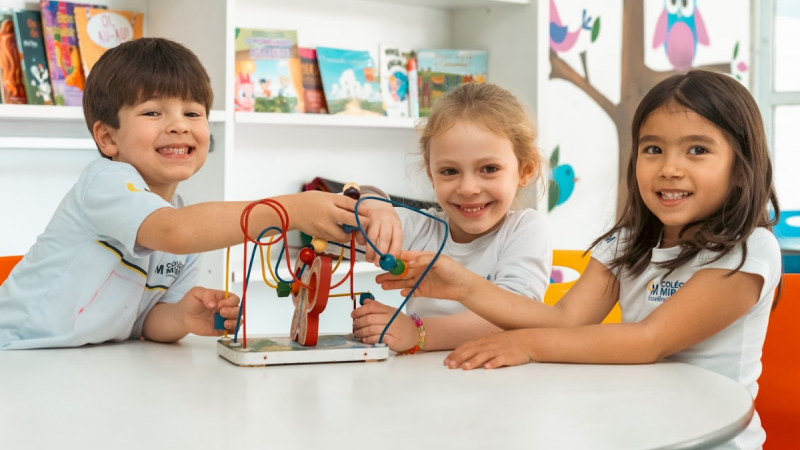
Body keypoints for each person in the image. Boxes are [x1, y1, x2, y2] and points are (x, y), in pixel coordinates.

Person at [380, 71, 781, 450]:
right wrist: (465, 286)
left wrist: (525, 344)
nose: (669, 169)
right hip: (640, 431)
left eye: (697, 150)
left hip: (711, 441)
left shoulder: (749, 251)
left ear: (741, 168)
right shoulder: (627, 244)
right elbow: (565, 319)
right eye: (653, 149)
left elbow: (648, 341)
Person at [0, 38, 368, 350]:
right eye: (153, 112)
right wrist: (290, 210)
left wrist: (182, 317)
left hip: (84, 367)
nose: (178, 126)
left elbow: (147, 321)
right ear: (108, 138)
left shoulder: (183, 220)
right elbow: (173, 231)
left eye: (193, 113)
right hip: (17, 350)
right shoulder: (105, 182)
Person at [352, 82, 553, 353]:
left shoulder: (525, 230)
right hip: (426, 383)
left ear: (525, 170)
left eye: (489, 168)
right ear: (430, 173)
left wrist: (417, 333)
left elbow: (515, 319)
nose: (468, 188)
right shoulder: (422, 228)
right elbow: (346, 216)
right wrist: (374, 202)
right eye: (449, 171)